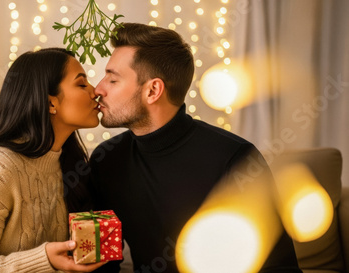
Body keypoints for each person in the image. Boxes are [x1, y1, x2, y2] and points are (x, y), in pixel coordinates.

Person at [89, 23, 302, 272]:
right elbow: (105, 262)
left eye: (112, 79)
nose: (98, 89)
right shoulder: (106, 160)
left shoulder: (235, 158)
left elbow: (279, 267)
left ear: (153, 90)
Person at [0, 48, 104, 273]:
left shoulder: (67, 162)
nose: (96, 91)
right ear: (51, 103)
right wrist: (43, 261)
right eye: (82, 84)